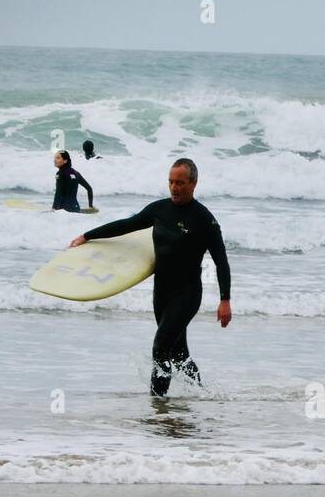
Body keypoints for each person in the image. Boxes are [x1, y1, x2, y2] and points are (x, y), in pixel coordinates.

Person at [70, 159, 231, 396]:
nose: (174, 188)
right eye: (171, 182)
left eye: (180, 183)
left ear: (194, 183)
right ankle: (202, 394)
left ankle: (158, 405)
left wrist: (225, 300)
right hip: (161, 293)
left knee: (159, 348)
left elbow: (221, 262)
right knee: (178, 355)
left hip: (187, 294)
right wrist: (87, 235)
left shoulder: (205, 220)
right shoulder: (159, 209)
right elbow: (126, 225)